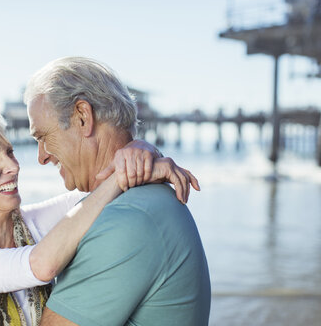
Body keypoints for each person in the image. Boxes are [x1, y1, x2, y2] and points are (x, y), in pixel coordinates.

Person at [0, 104, 198, 326]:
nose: (13, 166)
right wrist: (119, 178)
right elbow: (41, 265)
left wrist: (140, 150)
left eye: (9, 152)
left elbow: (102, 194)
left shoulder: (37, 223)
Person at [25, 56, 211, 326]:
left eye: (42, 137)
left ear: (82, 117)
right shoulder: (140, 201)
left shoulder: (127, 218)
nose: (41, 157)